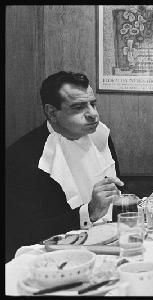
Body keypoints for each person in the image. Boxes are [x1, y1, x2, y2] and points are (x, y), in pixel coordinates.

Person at [5, 71, 124, 262]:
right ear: (52, 112)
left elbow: (116, 191)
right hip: (51, 257)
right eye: (78, 107)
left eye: (92, 104)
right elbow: (27, 233)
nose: (93, 114)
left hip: (108, 246)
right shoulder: (21, 157)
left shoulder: (101, 136)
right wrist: (89, 212)